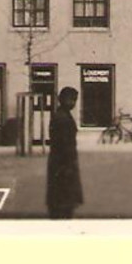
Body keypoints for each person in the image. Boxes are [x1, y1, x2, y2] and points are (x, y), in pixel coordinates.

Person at [46, 86, 83, 219]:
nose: (73, 103)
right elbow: (63, 143)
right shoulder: (62, 117)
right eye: (71, 99)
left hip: (62, 161)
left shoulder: (63, 114)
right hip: (63, 162)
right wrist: (67, 165)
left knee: (61, 194)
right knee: (63, 193)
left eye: (75, 100)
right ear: (62, 99)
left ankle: (61, 213)